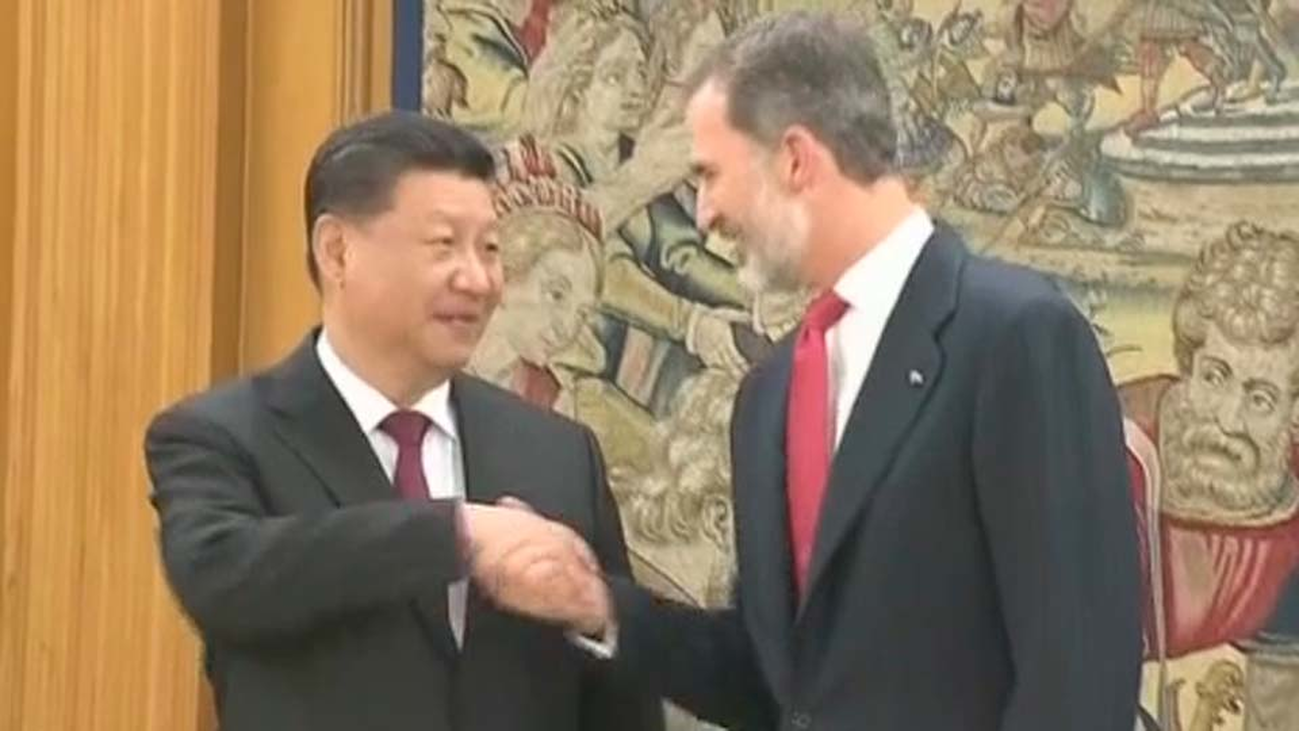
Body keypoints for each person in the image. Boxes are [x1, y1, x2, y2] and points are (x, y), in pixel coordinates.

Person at [490, 11, 1143, 730]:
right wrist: (599, 604)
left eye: (707, 174)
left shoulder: (1015, 337)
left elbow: (1076, 678)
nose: (701, 212)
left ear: (795, 158)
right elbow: (774, 679)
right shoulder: (768, 396)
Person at [142, 110, 663, 731]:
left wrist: (596, 619)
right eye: (444, 246)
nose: (478, 279)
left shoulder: (556, 454)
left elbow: (623, 703)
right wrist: (458, 535)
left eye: (490, 248)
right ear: (337, 251)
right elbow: (224, 577)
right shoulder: (221, 436)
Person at [1121, 221, 1299, 730]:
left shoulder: (1290, 539)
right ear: (1188, 362)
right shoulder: (1114, 465)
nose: (1226, 419)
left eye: (1260, 397)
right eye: (1214, 376)